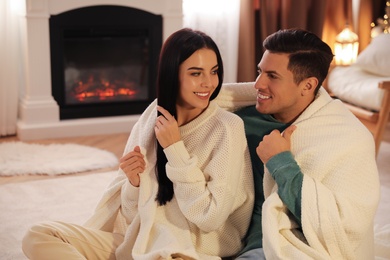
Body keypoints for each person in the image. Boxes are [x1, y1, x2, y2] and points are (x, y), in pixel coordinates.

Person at [22, 28, 254, 260]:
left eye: (214, 72)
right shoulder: (152, 116)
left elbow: (210, 218)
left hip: (186, 251)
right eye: (196, 73)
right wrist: (133, 185)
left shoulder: (227, 128)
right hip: (140, 241)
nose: (208, 83)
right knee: (38, 235)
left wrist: (175, 150)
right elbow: (132, 215)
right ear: (172, 75)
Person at [216, 28, 380, 259]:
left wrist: (280, 162)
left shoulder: (348, 137)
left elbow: (343, 226)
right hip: (234, 239)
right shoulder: (241, 120)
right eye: (260, 72)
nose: (258, 84)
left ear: (307, 86)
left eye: (272, 76)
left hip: (290, 246)